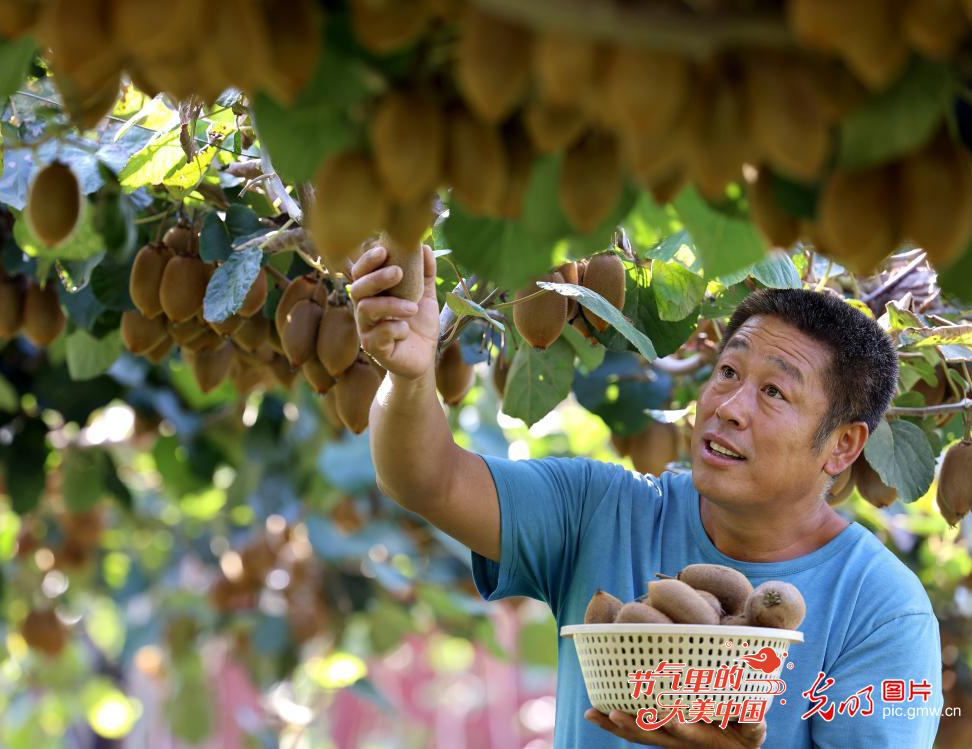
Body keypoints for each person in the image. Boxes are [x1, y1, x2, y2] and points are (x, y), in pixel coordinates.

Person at [349, 243, 944, 749]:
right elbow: (426, 478)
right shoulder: (600, 509)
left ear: (841, 447)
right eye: (729, 374)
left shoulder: (883, 609)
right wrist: (408, 374)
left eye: (774, 393)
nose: (730, 409)